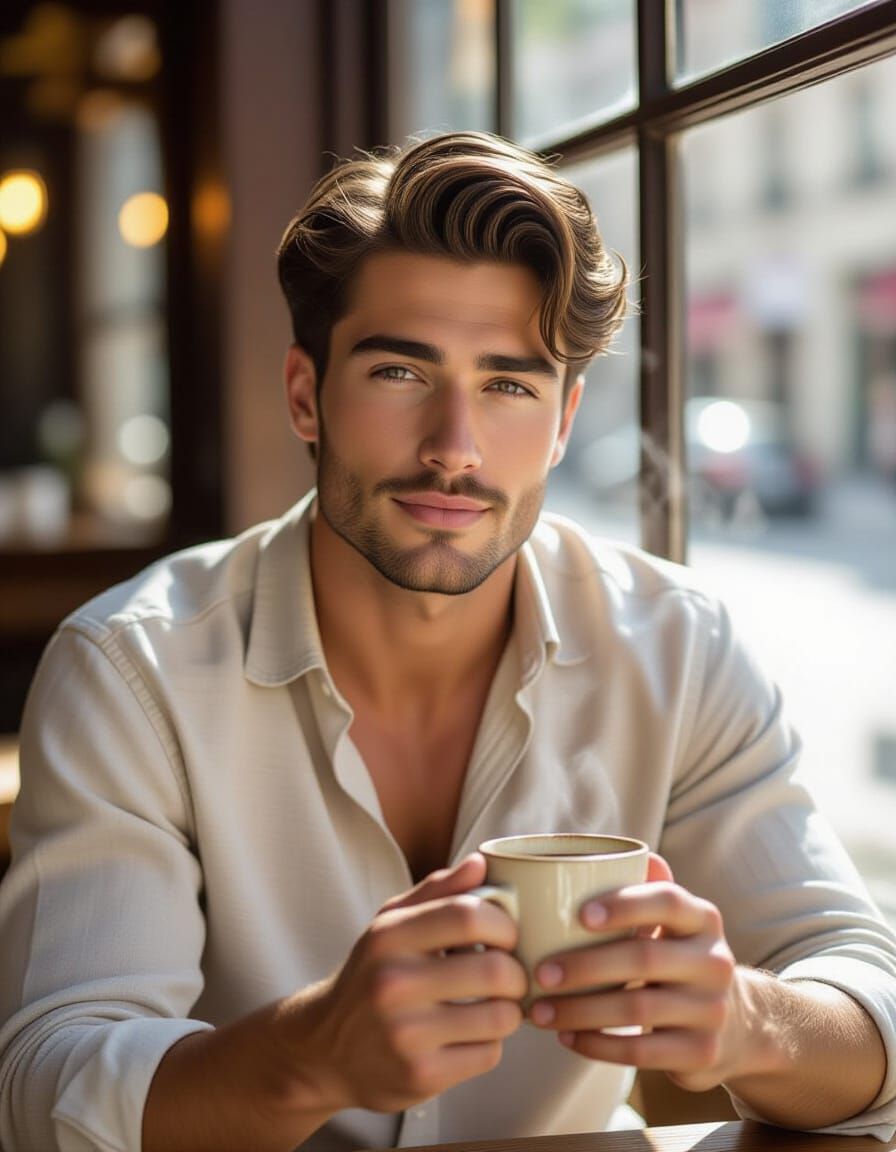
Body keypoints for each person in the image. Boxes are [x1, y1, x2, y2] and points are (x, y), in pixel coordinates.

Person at [1, 131, 895, 1152]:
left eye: (508, 386)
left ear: (562, 423)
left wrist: (744, 1024)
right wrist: (312, 1054)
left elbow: (868, 1001)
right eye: (398, 371)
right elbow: (47, 1093)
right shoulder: (132, 670)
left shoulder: (674, 647)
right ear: (306, 394)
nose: (453, 448)